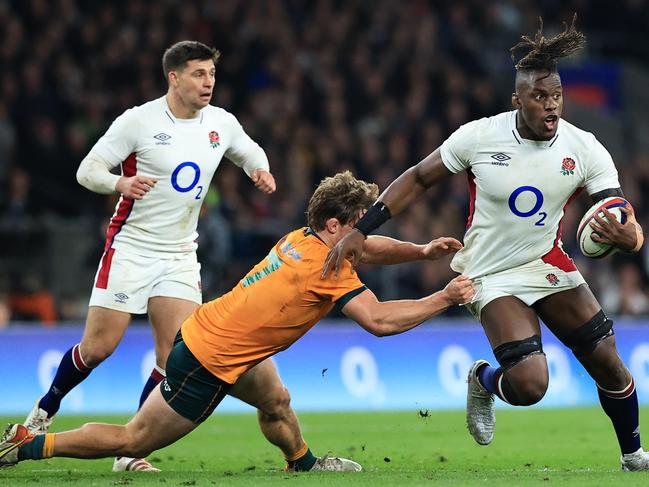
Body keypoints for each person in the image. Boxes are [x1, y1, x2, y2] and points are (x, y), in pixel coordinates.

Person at [321, 17, 648, 471]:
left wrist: (629, 236)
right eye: (539, 97)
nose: (551, 106)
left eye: (557, 96)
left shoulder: (586, 147)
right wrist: (364, 227)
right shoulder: (480, 136)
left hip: (544, 260)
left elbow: (620, 212)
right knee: (532, 385)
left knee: (608, 360)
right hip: (490, 272)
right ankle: (484, 380)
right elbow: (418, 178)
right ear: (517, 100)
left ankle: (633, 454)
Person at [0, 171, 475, 471]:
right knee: (133, 439)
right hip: (209, 361)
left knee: (276, 400)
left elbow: (367, 248)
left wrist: (421, 250)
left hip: (215, 334)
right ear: (336, 226)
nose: (366, 232)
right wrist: (443, 297)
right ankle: (27, 445)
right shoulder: (323, 266)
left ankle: (302, 463)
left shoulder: (303, 238)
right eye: (360, 222)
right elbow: (377, 321)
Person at [23, 40, 277, 472]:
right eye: (199, 74)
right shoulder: (137, 122)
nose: (208, 82)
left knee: (172, 357)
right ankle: (43, 412)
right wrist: (119, 185)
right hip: (131, 249)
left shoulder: (220, 122)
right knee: (98, 347)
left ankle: (130, 451)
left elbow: (248, 148)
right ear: (173, 77)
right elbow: (88, 170)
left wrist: (260, 168)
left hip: (179, 254)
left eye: (212, 74)